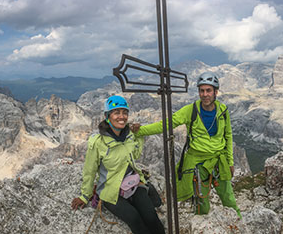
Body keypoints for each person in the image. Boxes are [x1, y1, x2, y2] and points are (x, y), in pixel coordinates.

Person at [134, 72, 240, 217]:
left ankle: (238, 223)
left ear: (216, 92)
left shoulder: (223, 111)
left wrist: (230, 162)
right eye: (201, 90)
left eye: (208, 90)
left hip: (219, 161)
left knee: (229, 198)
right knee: (202, 202)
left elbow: (228, 136)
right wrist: (139, 131)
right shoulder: (191, 110)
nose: (205, 94)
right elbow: (166, 124)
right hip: (198, 163)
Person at [71, 95, 165, 234]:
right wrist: (85, 196)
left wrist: (139, 136)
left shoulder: (129, 135)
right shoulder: (98, 142)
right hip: (110, 190)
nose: (122, 116)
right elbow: (89, 170)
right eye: (116, 112)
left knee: (151, 217)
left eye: (124, 112)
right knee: (134, 219)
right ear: (107, 116)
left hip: (132, 183)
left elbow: (135, 155)